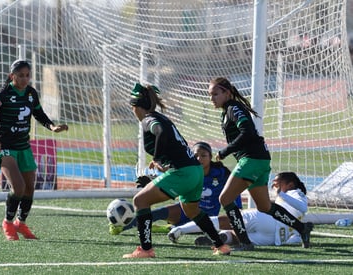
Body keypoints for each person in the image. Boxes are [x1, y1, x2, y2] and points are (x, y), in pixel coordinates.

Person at [122, 83, 230, 259]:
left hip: (184, 173)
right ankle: (221, 245)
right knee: (192, 211)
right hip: (195, 172)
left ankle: (146, 249)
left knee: (140, 201)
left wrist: (156, 158)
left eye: (132, 107)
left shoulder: (149, 119)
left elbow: (161, 132)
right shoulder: (160, 117)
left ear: (136, 106)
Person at [207, 77, 313, 250]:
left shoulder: (233, 108)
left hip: (252, 160)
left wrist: (225, 151)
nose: (212, 98)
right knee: (264, 207)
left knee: (225, 199)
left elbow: (247, 132)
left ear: (227, 92)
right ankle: (302, 228)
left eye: (215, 94)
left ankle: (245, 242)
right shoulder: (228, 110)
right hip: (259, 160)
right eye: (210, 95)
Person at [0, 60, 68, 240]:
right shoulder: (2, 94)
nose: (25, 79)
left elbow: (39, 114)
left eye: (28, 75)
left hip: (23, 146)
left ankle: (21, 223)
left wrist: (52, 127)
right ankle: (7, 222)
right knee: (18, 187)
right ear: (12, 76)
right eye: (21, 75)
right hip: (5, 147)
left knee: (29, 189)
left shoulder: (31, 93)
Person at [110, 141, 242, 236]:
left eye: (203, 155)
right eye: (196, 155)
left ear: (210, 157)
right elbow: (171, 175)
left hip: (207, 216)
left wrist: (238, 208)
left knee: (217, 223)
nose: (199, 158)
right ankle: (122, 227)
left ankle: (172, 228)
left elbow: (234, 190)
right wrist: (152, 181)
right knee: (156, 213)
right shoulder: (188, 171)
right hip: (184, 210)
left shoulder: (221, 173)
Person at [168, 172, 308, 247]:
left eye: (277, 182)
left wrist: (281, 194)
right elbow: (297, 225)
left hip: (268, 220)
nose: (274, 184)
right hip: (275, 238)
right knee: (238, 236)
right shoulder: (291, 198)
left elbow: (303, 206)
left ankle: (180, 230)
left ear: (290, 184)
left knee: (226, 220)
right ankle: (222, 238)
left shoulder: (294, 192)